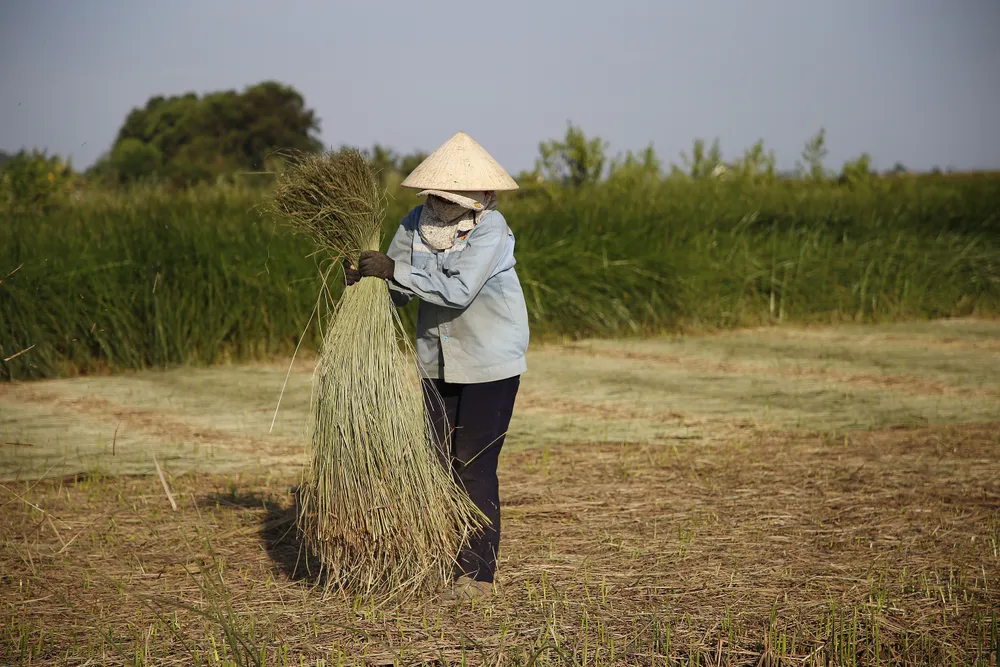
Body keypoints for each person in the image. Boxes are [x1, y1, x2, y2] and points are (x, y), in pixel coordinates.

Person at [344, 131, 529, 601]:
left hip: (489, 361)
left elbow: (459, 290)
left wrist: (394, 270)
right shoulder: (413, 223)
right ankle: (440, 557)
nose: (445, 205)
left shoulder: (491, 228)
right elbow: (402, 289)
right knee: (435, 463)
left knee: (473, 462)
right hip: (435, 361)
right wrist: (367, 275)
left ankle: (478, 574)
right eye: (439, 197)